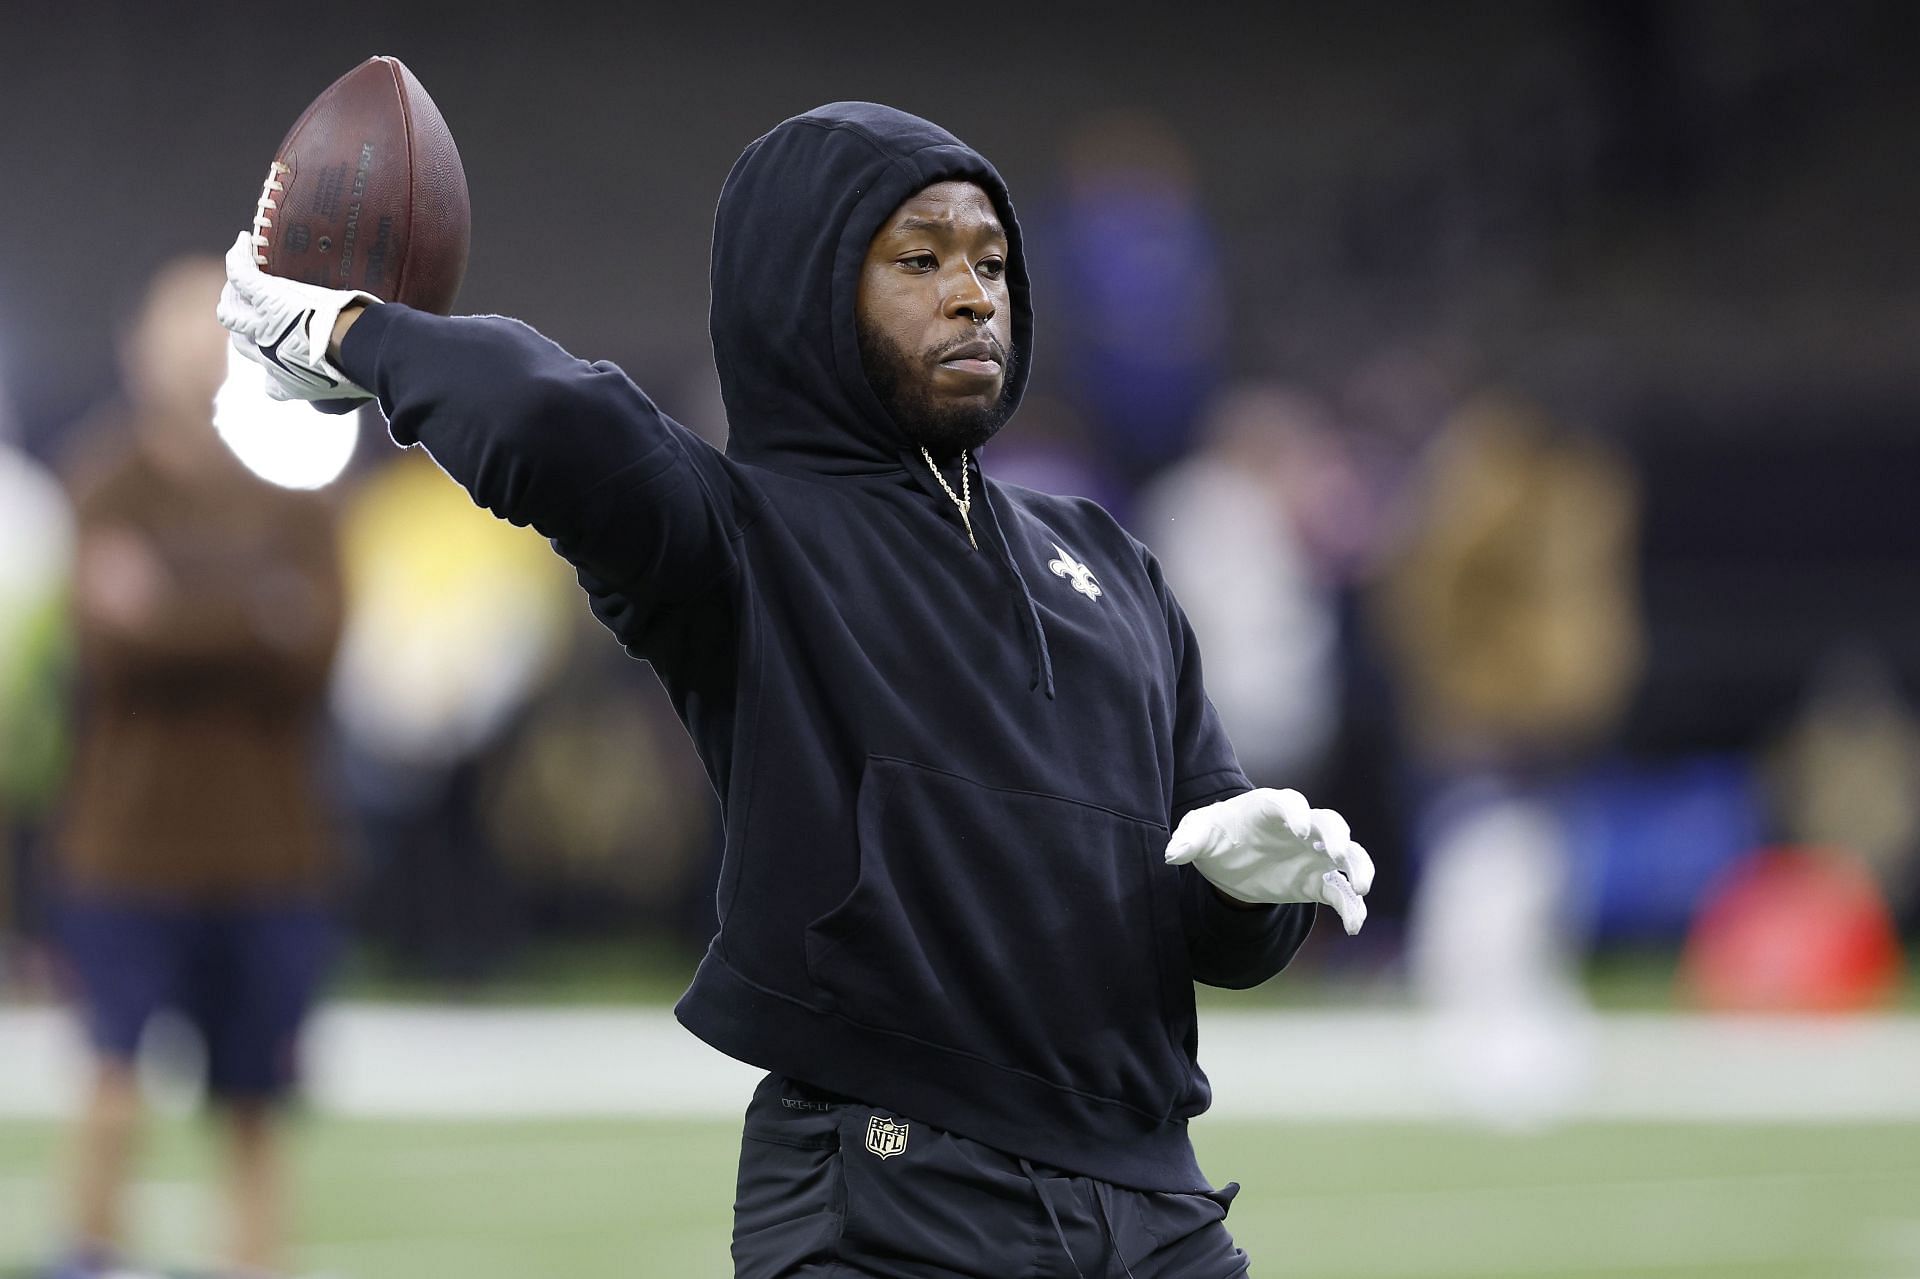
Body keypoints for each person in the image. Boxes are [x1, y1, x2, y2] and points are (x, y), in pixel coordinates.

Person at [218, 102, 1373, 1277]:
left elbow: (1221, 938)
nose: (974, 294)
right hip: (898, 1196)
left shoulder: (1108, 560)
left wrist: (1250, 892)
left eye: (991, 260)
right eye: (920, 260)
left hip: (1160, 1204)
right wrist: (354, 331)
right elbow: (547, 414)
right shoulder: (742, 538)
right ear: (806, 285)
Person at [52, 257, 344, 1279]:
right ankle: (85, 1251)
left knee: (256, 1095)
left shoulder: (296, 486)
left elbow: (316, 650)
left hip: (268, 848)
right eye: (171, 333)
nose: (188, 355)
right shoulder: (104, 483)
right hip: (128, 844)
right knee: (111, 1073)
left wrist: (174, 606)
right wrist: (251, 610)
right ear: (137, 351)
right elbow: (110, 647)